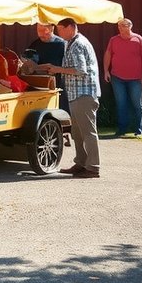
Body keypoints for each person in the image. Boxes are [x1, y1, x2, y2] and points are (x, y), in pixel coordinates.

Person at [38, 18, 102, 179]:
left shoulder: (78, 44)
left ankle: (93, 167)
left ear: (71, 27)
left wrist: (58, 69)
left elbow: (81, 70)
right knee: (77, 131)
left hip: (84, 93)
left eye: (61, 29)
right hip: (77, 93)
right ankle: (81, 162)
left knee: (87, 131)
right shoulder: (71, 43)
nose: (59, 33)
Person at [103, 18, 142, 138]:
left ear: (130, 26)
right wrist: (106, 71)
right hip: (117, 77)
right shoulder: (113, 40)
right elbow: (108, 54)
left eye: (124, 25)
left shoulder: (138, 39)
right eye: (119, 26)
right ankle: (121, 129)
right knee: (121, 103)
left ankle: (139, 129)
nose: (122, 28)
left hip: (136, 78)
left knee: (136, 103)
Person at [28, 23, 67, 111]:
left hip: (57, 86)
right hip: (39, 87)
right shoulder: (35, 44)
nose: (41, 34)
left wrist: (35, 67)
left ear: (51, 28)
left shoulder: (61, 44)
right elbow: (27, 64)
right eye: (39, 30)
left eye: (43, 31)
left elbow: (52, 68)